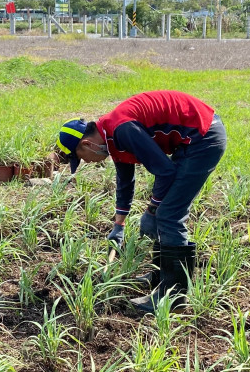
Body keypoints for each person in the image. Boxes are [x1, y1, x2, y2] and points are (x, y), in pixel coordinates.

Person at [56, 90, 227, 313]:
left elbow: (164, 172)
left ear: (87, 144)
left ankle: (172, 296)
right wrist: (119, 225)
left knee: (168, 215)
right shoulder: (110, 134)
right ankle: (160, 275)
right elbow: (125, 181)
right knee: (164, 213)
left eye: (80, 158)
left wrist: (153, 209)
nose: (86, 162)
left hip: (203, 137)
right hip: (191, 139)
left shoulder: (122, 129)